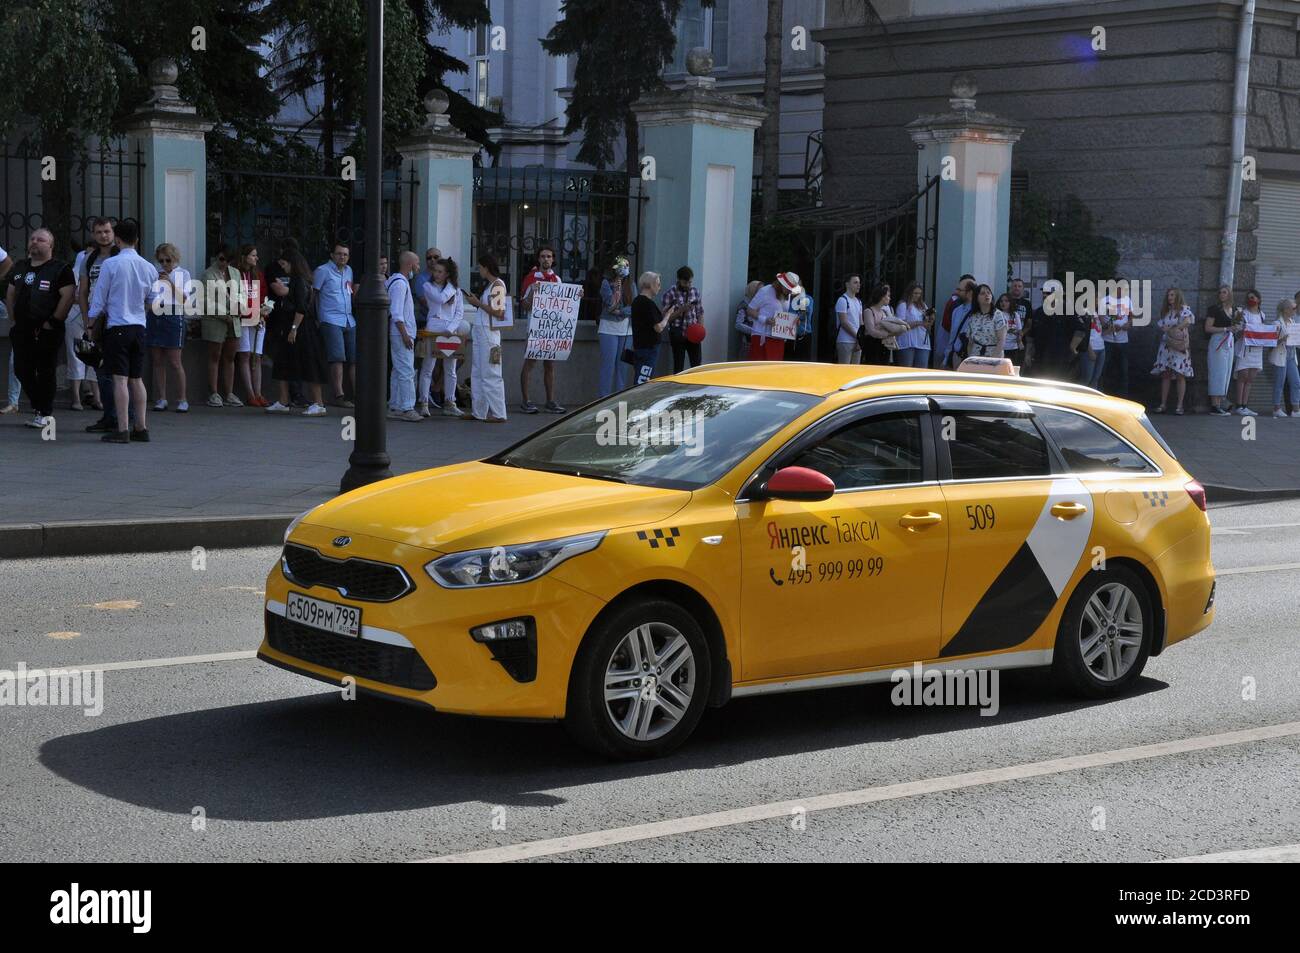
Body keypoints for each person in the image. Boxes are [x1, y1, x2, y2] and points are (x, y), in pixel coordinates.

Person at [87, 219, 157, 443]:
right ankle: (141, 427)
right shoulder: (149, 267)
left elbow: (98, 300)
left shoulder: (111, 264)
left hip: (117, 327)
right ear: (137, 240)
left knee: (119, 379)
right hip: (139, 327)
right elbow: (153, 300)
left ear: (117, 239)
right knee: (137, 379)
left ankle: (122, 429)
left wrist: (90, 326)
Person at [4, 229, 75, 431]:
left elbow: (68, 296)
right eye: (32, 239)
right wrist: (13, 318)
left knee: (45, 370)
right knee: (21, 368)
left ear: (50, 246)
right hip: (22, 329)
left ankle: (45, 413)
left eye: (41, 240)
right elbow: (10, 294)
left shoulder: (60, 269)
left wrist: (53, 321)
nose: (35, 242)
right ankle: (39, 406)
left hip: (47, 329)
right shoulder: (20, 267)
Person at [266, 245, 329, 416]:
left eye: (285, 264)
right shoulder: (298, 281)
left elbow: (301, 307)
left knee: (309, 364)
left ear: (292, 263)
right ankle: (283, 400)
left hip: (301, 329)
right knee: (282, 362)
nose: (283, 268)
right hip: (291, 327)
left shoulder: (299, 281)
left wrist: (294, 329)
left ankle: (319, 403)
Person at [80, 218, 120, 432]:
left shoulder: (121, 257)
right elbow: (83, 292)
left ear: (114, 233)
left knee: (120, 372)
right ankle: (109, 415)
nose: (103, 235)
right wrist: (87, 322)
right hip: (96, 322)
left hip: (116, 319)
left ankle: (125, 416)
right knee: (101, 371)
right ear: (94, 235)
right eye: (99, 232)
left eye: (107, 231)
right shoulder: (89, 259)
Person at [461, 253, 510, 422]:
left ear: (486, 267)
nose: (479, 270)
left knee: (490, 373)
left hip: (489, 335)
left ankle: (499, 412)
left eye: (480, 267)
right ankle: (479, 411)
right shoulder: (491, 286)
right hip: (482, 333)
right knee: (478, 372)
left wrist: (478, 304)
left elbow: (499, 312)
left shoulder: (497, 285)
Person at [518, 245, 566, 413]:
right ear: (538, 259)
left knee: (550, 365)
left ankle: (550, 401)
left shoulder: (557, 280)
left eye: (549, 256)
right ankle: (526, 400)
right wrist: (532, 294)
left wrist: (575, 297)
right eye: (543, 256)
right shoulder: (531, 279)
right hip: (535, 328)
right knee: (530, 363)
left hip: (551, 330)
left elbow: (563, 304)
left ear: (553, 259)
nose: (546, 259)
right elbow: (524, 305)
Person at [146, 243, 192, 413]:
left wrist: (169, 282)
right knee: (157, 360)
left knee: (174, 360)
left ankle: (182, 399)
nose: (164, 264)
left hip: (173, 315)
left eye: (168, 260)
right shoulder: (155, 274)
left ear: (175, 259)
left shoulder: (183, 274)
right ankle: (161, 398)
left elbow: (185, 299)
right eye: (161, 260)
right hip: (156, 313)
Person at [421, 257, 467, 417]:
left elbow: (459, 313)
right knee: (428, 367)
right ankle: (424, 402)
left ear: (447, 274)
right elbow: (440, 299)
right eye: (435, 271)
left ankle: (450, 402)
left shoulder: (457, 291)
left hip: (449, 331)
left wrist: (451, 328)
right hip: (433, 328)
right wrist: (453, 287)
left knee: (451, 369)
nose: (437, 274)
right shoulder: (428, 286)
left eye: (440, 272)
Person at [312, 242, 356, 408]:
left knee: (353, 358)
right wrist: (317, 317)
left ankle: (357, 394)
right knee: (337, 357)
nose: (342, 257)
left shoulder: (349, 271)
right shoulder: (323, 270)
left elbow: (349, 291)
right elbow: (314, 293)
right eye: (339, 254)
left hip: (348, 318)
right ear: (332, 255)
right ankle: (339, 395)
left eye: (345, 254)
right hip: (330, 318)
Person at [199, 246, 242, 407]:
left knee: (231, 357)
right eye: (221, 259)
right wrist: (224, 315)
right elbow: (204, 301)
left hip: (234, 319)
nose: (224, 263)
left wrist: (240, 306)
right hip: (215, 320)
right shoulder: (208, 274)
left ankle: (229, 393)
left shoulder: (235, 273)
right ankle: (214, 393)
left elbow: (241, 293)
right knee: (214, 356)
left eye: (228, 260)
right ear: (217, 257)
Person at [385, 250, 421, 422]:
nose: (418, 267)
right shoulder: (400, 284)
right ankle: (407, 407)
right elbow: (397, 313)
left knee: (398, 370)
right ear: (410, 265)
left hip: (400, 332)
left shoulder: (398, 282)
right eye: (417, 263)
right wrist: (405, 334)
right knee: (406, 370)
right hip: (401, 333)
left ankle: (395, 405)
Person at [66, 239, 100, 411]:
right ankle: (76, 398)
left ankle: (96, 396)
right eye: (85, 252)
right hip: (74, 314)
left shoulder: (103, 269)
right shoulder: (73, 271)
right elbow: (66, 296)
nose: (87, 255)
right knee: (75, 354)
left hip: (95, 316)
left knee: (95, 354)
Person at [234, 244, 269, 407]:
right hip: (242, 319)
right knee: (244, 355)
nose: (256, 258)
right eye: (253, 255)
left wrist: (264, 311)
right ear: (244, 256)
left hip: (258, 319)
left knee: (257, 356)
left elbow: (264, 296)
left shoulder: (258, 275)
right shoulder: (235, 274)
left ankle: (259, 393)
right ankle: (250, 394)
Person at [1150, 288, 1195, 415]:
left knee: (1180, 375)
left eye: (1172, 295)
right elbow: (1162, 326)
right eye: (1168, 295)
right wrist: (1170, 330)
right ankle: (1163, 404)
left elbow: (1188, 320)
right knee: (1166, 374)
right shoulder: (1166, 312)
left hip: (1179, 347)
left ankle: (1179, 406)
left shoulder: (1183, 309)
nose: (1170, 297)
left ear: (1178, 296)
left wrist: (1175, 329)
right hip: (1167, 346)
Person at [596, 257, 633, 397]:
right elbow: (611, 305)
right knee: (608, 366)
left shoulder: (631, 285)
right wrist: (616, 288)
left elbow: (633, 306)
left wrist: (622, 312)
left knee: (622, 367)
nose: (625, 269)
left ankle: (619, 399)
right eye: (622, 266)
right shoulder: (606, 283)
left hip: (626, 331)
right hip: (608, 329)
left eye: (627, 266)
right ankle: (603, 398)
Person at [631, 271, 674, 385]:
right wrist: (668, 315)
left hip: (640, 346)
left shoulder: (637, 301)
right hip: (648, 348)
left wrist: (663, 313)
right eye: (658, 284)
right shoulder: (647, 304)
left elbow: (648, 321)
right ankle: (637, 402)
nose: (660, 287)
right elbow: (658, 327)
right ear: (650, 285)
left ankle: (636, 401)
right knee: (643, 381)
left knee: (640, 378)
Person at [1233, 290, 1270, 416]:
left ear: (1258, 299)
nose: (1251, 299)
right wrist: (1243, 330)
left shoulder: (1262, 315)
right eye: (1248, 298)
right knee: (1243, 375)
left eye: (1253, 297)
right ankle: (1238, 405)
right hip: (1245, 348)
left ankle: (1245, 405)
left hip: (1257, 349)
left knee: (1251, 378)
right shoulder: (1244, 314)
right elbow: (1237, 332)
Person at [746, 272, 799, 360]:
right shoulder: (765, 291)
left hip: (779, 339)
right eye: (788, 288)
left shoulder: (787, 295)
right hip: (762, 338)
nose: (790, 291)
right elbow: (750, 310)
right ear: (781, 285)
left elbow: (783, 315)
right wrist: (765, 320)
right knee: (759, 370)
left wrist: (792, 322)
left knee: (774, 370)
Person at [662, 265, 704, 373]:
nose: (688, 285)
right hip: (678, 333)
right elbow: (665, 318)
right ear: (679, 280)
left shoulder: (695, 291)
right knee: (678, 366)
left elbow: (700, 312)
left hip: (693, 333)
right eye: (686, 283)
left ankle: (696, 387)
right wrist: (681, 310)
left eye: (690, 282)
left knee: (697, 365)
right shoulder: (670, 293)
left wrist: (700, 329)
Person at [1203, 285, 1237, 416]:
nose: (1222, 295)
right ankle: (1214, 404)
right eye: (1220, 292)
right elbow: (1208, 327)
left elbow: (1233, 327)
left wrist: (1235, 328)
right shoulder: (1214, 309)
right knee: (1217, 371)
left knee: (1226, 372)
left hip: (1229, 342)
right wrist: (1225, 329)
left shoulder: (1233, 311)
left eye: (1225, 292)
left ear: (1230, 295)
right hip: (1218, 341)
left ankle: (1220, 401)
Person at [858, 283, 904, 365]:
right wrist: (887, 334)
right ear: (882, 297)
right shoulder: (869, 311)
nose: (890, 298)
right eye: (888, 296)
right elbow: (871, 331)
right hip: (872, 347)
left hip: (884, 347)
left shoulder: (885, 312)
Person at [934, 274, 975, 368]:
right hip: (956, 357)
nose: (956, 292)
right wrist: (946, 359)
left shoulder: (978, 312)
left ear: (969, 293)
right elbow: (952, 337)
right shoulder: (957, 310)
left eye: (960, 290)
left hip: (971, 359)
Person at [1100, 280, 1132, 396]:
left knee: (1123, 370)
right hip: (1107, 340)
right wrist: (1111, 326)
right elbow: (1101, 318)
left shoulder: (1128, 300)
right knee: (1103, 368)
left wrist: (1128, 324)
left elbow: (1130, 317)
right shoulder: (1105, 300)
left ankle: (1123, 395)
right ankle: (1102, 393)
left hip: (1123, 340)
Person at [1269, 297, 1300, 418]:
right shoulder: (1277, 324)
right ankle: (1276, 408)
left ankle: (1296, 410)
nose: (1295, 309)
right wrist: (1283, 339)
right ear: (1286, 310)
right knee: (1279, 383)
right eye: (1294, 307)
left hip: (1291, 356)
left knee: (1296, 382)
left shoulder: (1293, 323)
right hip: (1280, 356)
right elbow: (1271, 343)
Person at [961, 284, 1007, 359]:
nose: (987, 295)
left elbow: (1001, 341)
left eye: (988, 293)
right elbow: (970, 342)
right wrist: (970, 358)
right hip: (975, 356)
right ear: (977, 298)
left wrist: (993, 360)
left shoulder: (998, 315)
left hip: (993, 356)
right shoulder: (973, 316)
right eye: (982, 293)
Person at [894, 281, 933, 368]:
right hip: (907, 342)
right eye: (915, 293)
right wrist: (919, 323)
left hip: (922, 341)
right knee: (906, 370)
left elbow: (927, 326)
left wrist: (930, 320)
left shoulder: (923, 306)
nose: (917, 295)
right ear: (910, 292)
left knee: (921, 371)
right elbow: (901, 324)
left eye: (919, 293)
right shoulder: (903, 305)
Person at [834, 275, 863, 365]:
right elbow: (844, 322)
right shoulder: (842, 300)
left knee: (855, 371)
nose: (858, 285)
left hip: (857, 341)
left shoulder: (859, 301)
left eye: (859, 282)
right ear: (847, 284)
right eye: (855, 282)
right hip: (845, 340)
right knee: (844, 370)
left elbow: (861, 322)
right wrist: (857, 336)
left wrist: (860, 339)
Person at [734, 280, 761, 355]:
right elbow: (738, 324)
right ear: (753, 291)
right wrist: (754, 331)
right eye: (759, 291)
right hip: (747, 343)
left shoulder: (759, 305)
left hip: (758, 342)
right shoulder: (744, 305)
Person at [996, 293, 1024, 366]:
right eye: (1001, 301)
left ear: (1010, 302)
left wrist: (1019, 337)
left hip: (1013, 347)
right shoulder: (997, 314)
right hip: (1000, 347)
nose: (1003, 303)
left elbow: (1020, 331)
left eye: (1006, 301)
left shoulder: (1015, 315)